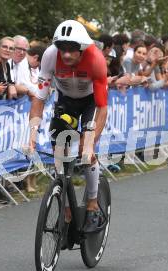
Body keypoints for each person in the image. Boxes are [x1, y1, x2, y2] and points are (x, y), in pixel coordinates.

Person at [28, 20, 108, 234]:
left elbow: (102, 108)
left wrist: (91, 140)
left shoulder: (96, 60)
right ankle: (66, 210)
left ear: (82, 48)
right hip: (66, 102)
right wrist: (32, 134)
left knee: (86, 152)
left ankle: (92, 204)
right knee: (59, 154)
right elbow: (39, 98)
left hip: (91, 103)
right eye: (63, 49)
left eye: (72, 50)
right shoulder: (49, 56)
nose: (67, 55)